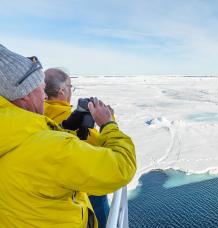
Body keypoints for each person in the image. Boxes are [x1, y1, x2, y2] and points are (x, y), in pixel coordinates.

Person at [0, 44, 136, 228]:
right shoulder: (51, 148)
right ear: (24, 95)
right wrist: (108, 124)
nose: (45, 97)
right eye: (41, 89)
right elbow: (121, 166)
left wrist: (68, 126)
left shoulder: (12, 132)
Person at [44, 68, 110, 228]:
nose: (71, 90)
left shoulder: (37, 113)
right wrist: (108, 123)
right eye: (70, 86)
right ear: (61, 90)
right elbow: (105, 152)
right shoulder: (69, 119)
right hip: (81, 190)